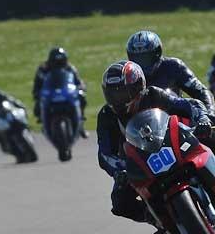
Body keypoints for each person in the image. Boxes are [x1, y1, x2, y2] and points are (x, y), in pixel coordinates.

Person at [97, 61, 212, 223]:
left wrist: (203, 119)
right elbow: (104, 153)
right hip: (137, 164)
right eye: (113, 94)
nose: (118, 100)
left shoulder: (154, 95)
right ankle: (157, 219)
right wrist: (119, 170)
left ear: (137, 87)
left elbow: (189, 105)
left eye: (123, 93)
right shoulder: (106, 116)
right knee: (120, 203)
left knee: (210, 134)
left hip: (170, 145)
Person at [126, 30, 215, 114]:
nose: (143, 64)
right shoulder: (126, 73)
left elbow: (201, 91)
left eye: (146, 58)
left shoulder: (175, 66)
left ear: (157, 53)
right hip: (137, 125)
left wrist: (210, 111)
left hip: (175, 122)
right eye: (138, 59)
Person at [32, 47, 88, 137]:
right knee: (37, 105)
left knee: (82, 97)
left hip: (66, 93)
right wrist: (37, 93)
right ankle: (43, 122)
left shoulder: (70, 68)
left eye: (61, 62)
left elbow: (78, 81)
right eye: (56, 62)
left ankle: (80, 122)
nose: (59, 64)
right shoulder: (43, 69)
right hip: (50, 94)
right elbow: (37, 84)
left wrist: (81, 88)